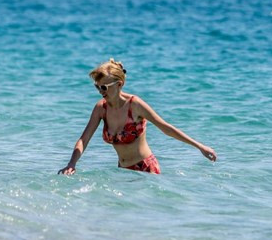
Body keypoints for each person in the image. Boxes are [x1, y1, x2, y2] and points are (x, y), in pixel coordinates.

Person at [58, 58, 217, 175]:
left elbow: (166, 128)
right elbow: (83, 140)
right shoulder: (101, 108)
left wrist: (200, 147)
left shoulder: (135, 105)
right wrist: (72, 163)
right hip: (123, 171)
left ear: (119, 84)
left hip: (147, 170)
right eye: (97, 87)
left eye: (104, 87)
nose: (100, 91)